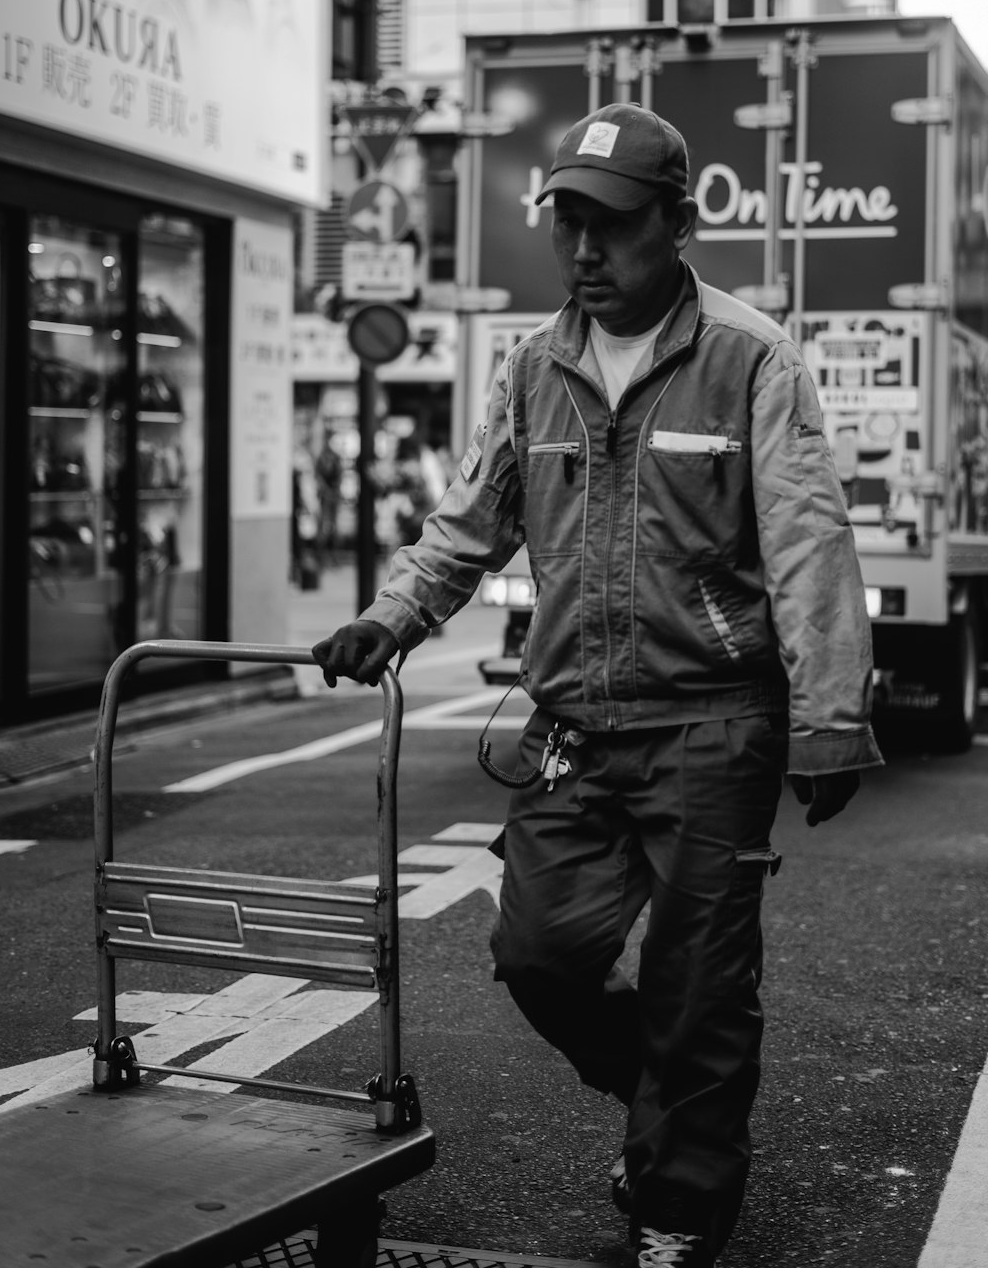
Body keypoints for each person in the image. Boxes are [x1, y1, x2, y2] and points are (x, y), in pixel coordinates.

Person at [312, 102, 883, 1268]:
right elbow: (470, 521)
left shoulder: (746, 358)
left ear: (675, 226)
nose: (583, 249)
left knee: (698, 982)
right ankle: (669, 1104)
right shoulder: (536, 364)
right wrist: (391, 614)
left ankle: (680, 1202)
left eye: (610, 225)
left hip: (715, 722)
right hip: (575, 722)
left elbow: (809, 544)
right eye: (566, 221)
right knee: (539, 955)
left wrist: (831, 718)